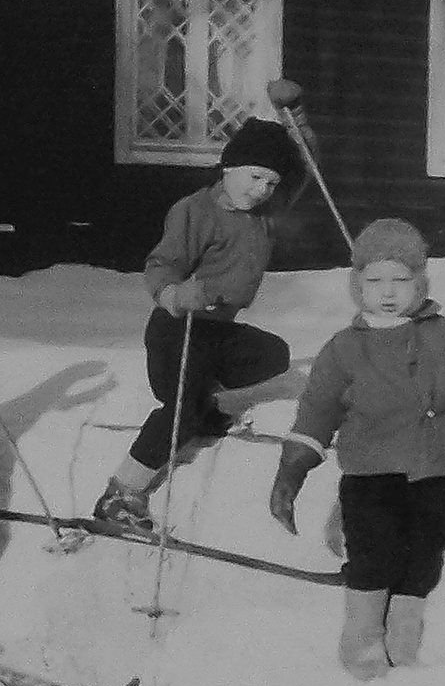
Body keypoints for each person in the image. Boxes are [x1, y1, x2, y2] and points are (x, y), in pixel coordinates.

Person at [268, 218, 445, 680]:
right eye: (375, 280)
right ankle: (363, 632)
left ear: (421, 282)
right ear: (356, 285)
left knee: (426, 548)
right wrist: (291, 473)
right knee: (373, 550)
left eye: (402, 280)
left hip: (436, 468)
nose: (388, 292)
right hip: (370, 473)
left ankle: (405, 624)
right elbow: (316, 411)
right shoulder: (344, 349)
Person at [94, 115, 310, 529]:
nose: (261, 189)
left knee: (273, 353)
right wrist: (176, 295)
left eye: (270, 182)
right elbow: (161, 266)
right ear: (229, 168)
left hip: (217, 331)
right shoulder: (195, 211)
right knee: (181, 409)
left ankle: (214, 405)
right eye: (254, 177)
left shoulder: (262, 213)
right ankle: (121, 492)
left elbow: (302, 173)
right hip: (178, 328)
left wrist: (297, 123)